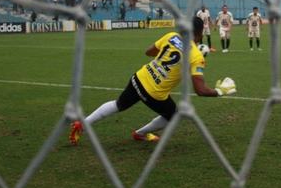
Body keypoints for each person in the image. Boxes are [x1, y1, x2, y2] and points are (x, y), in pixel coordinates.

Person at [69, 17, 236, 144]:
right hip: (154, 93)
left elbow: (149, 52)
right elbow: (200, 90)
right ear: (200, 33)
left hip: (139, 77)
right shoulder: (196, 56)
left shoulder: (171, 36)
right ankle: (140, 133)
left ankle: (82, 124)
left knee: (118, 104)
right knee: (174, 116)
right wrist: (220, 92)